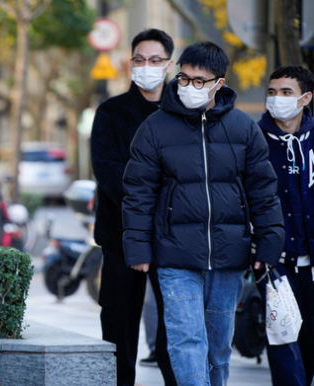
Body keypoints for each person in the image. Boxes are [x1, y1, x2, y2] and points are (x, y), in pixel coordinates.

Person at [122, 41, 285, 386]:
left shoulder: (243, 129)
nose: (189, 87)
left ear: (219, 84)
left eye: (199, 81)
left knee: (218, 348)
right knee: (186, 340)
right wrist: (138, 248)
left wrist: (269, 243)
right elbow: (138, 193)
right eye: (184, 79)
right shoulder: (155, 128)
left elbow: (263, 192)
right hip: (175, 255)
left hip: (228, 256)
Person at [90, 28, 176, 386]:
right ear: (130, 64)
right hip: (120, 236)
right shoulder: (110, 112)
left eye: (155, 60)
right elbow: (108, 171)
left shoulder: (184, 111)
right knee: (119, 324)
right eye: (139, 60)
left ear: (169, 64)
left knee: (176, 323)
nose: (146, 67)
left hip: (174, 236)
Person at [256, 65, 314, 386]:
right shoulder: (253, 140)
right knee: (284, 352)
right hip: (275, 267)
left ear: (306, 98)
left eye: (286, 92)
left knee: (308, 350)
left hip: (313, 265)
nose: (277, 99)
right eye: (272, 92)